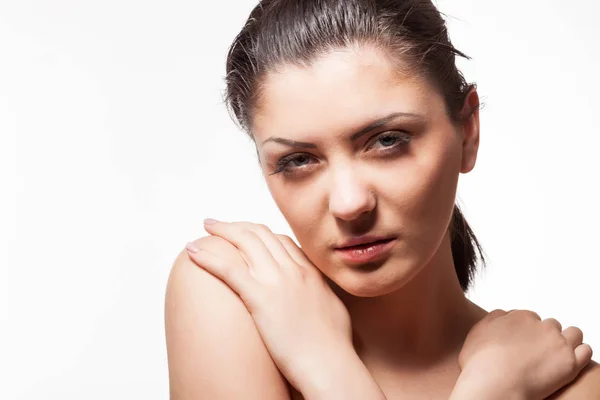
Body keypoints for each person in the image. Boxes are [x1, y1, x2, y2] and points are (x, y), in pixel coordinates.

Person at [165, 0, 599, 398]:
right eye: (298, 160)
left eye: (387, 140)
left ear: (467, 131)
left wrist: (321, 361)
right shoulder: (229, 296)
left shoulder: (572, 386)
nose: (349, 203)